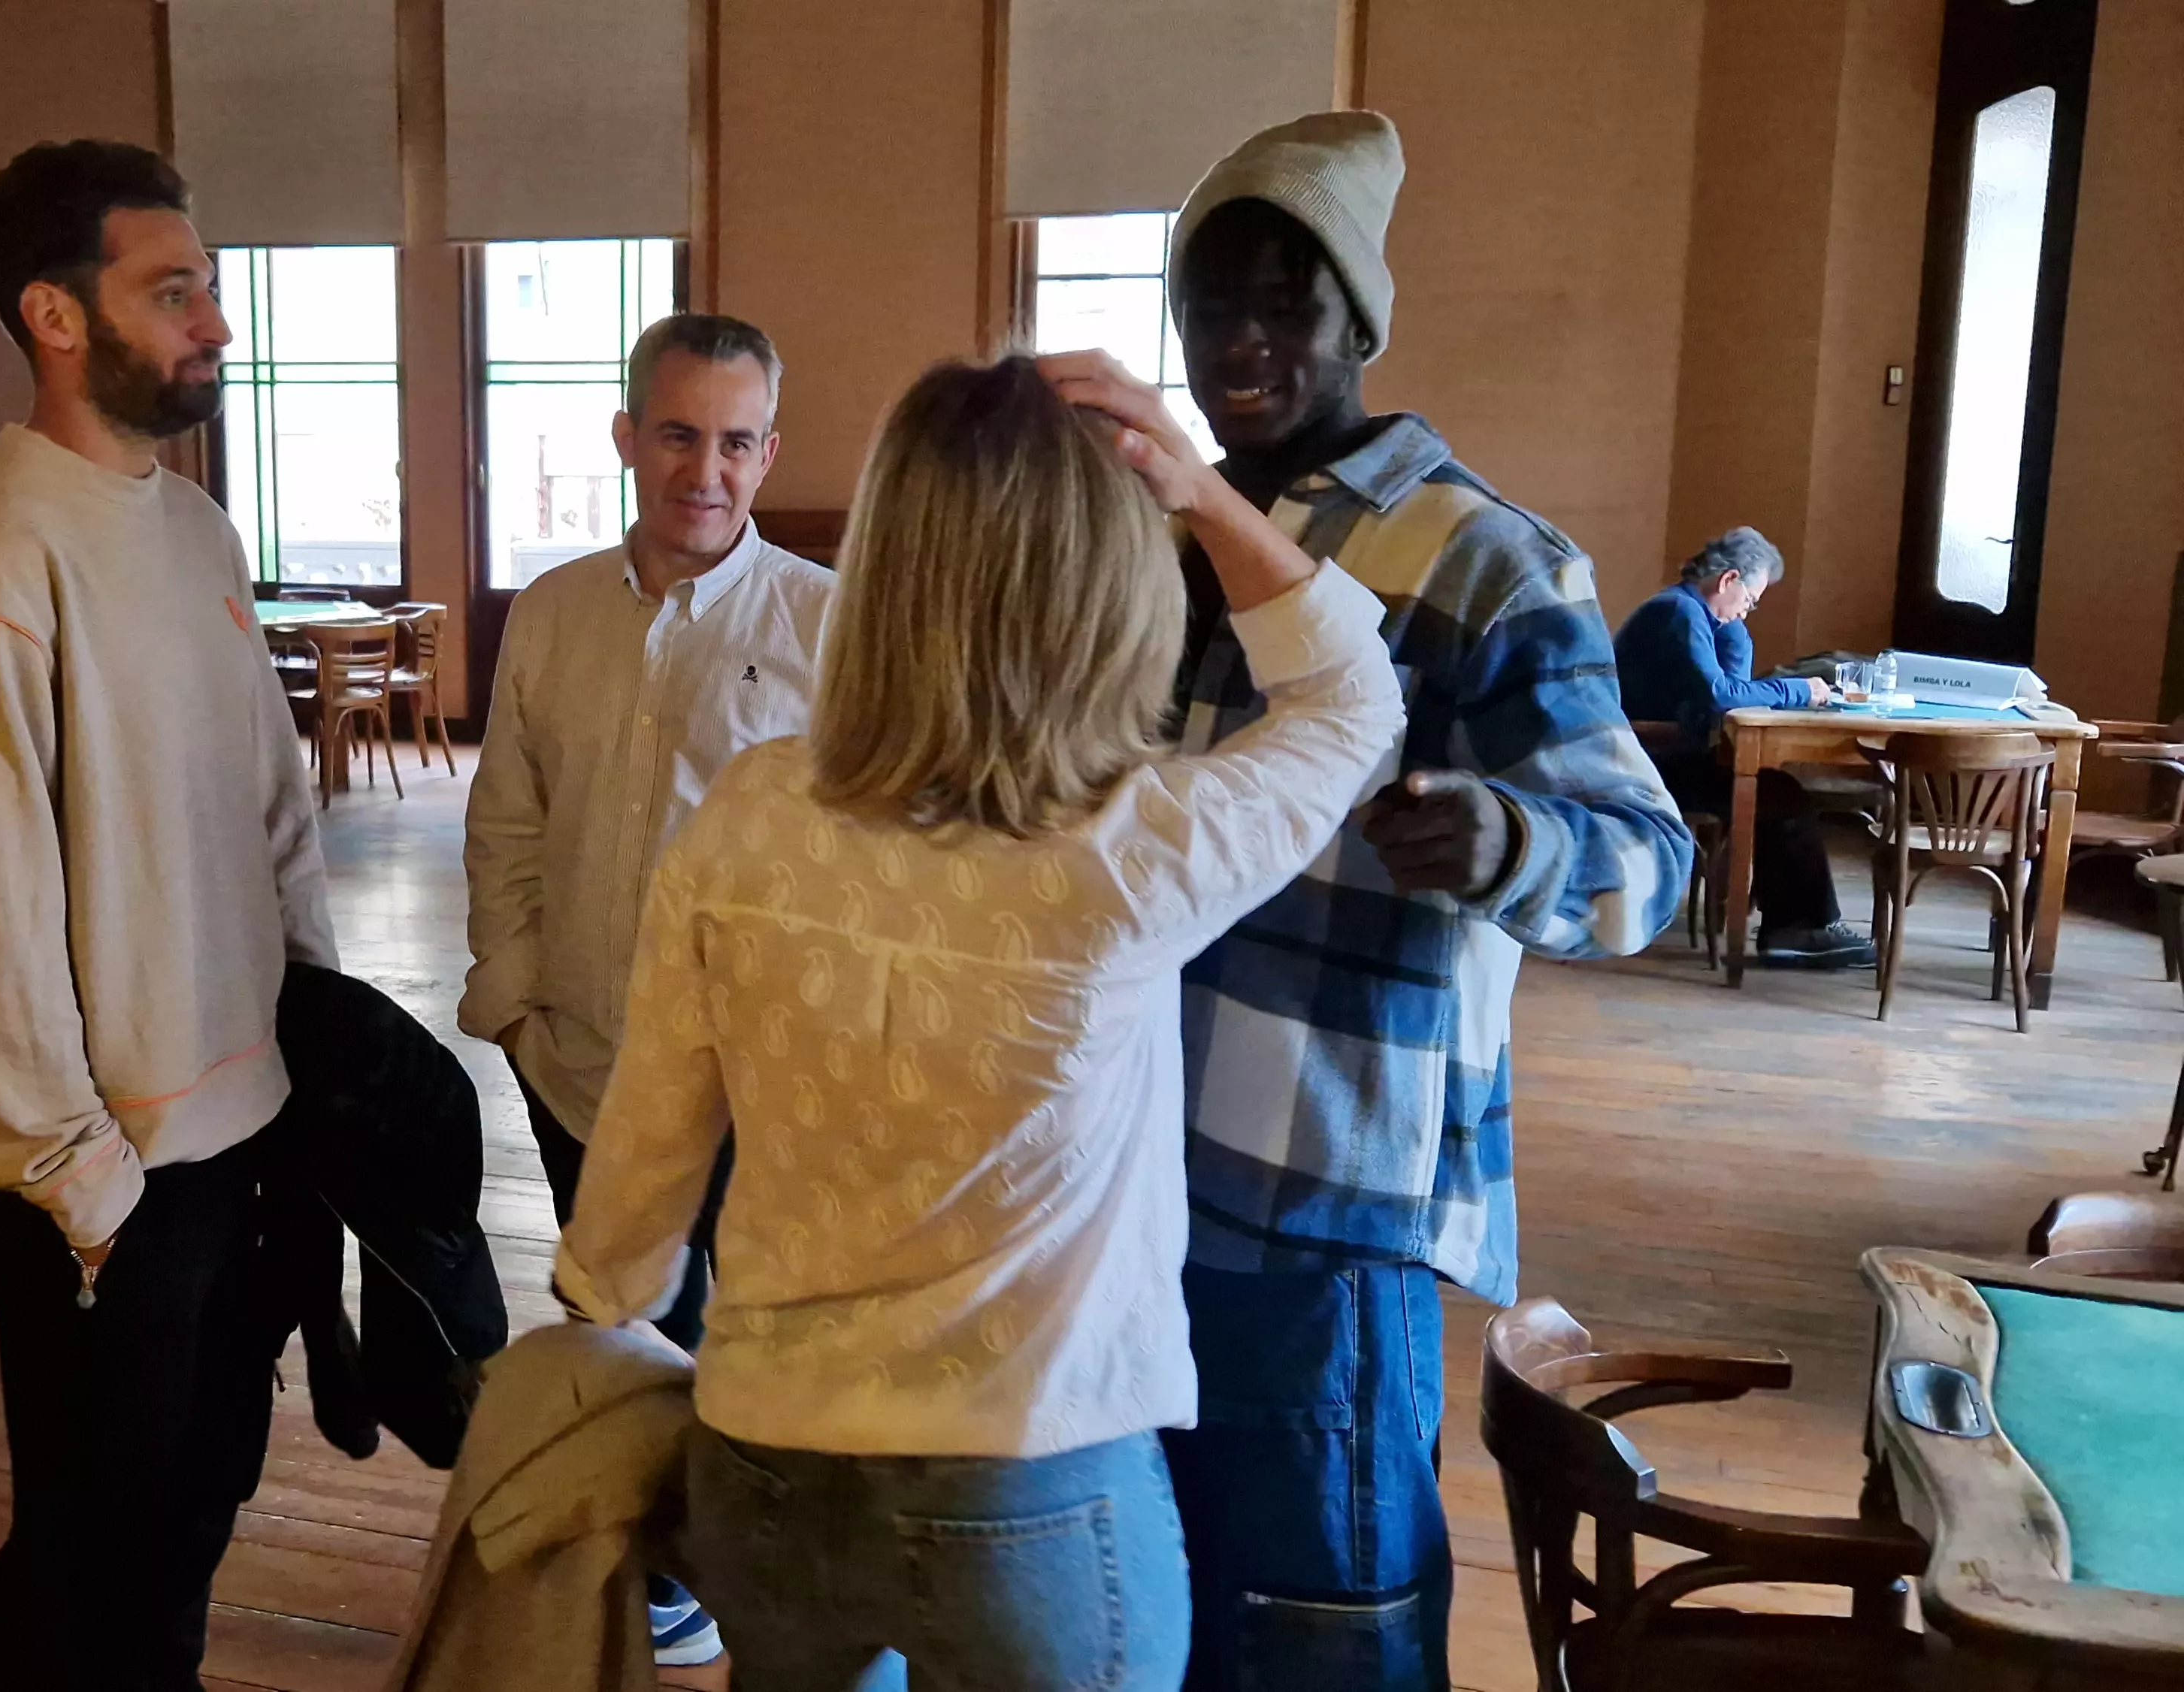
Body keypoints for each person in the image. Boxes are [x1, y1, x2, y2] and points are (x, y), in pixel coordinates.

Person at [554, 350, 1405, 1692]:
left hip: (765, 1460)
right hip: (1037, 1473)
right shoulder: (1137, 846)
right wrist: (1199, 490)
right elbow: (1354, 697)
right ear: (1110, 586)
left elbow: (651, 1136)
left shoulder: (753, 814)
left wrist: (601, 1303)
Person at [1155, 113, 1691, 1690]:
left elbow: (1643, 864)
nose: (1239, 340)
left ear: (1354, 323)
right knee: (1161, 1589)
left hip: (1323, 1203)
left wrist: (1503, 833)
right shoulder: (1151, 534)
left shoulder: (1476, 560)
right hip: (1116, 1179)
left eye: (1282, 303)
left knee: (1325, 1615)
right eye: (1208, 303)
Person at [0, 140, 334, 1691]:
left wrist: (319, 1057)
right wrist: (86, 1190)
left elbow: (274, 816)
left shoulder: (193, 530)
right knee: (85, 1554)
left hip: (245, 1137)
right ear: (56, 317)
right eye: (175, 288)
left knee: (187, 1521)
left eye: (206, 285)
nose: (216, 322)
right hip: (110, 1179)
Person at [461, 312, 831, 1666]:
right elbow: (507, 815)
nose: (707, 469)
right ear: (628, 438)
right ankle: (652, 1555)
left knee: (743, 1327)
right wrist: (508, 997)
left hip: (751, 1077)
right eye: (679, 434)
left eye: (736, 441)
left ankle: (735, 1550)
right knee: (614, 1318)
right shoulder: (552, 611)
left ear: (769, 451)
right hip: (574, 1050)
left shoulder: (824, 627)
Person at [1616, 527, 1874, 967]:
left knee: (1777, 792)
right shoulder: (1677, 613)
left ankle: (1795, 926)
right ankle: (1798, 930)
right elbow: (1722, 697)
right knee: (1778, 795)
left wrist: (1735, 628)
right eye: (1750, 600)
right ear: (1728, 580)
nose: (1749, 611)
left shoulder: (1696, 613)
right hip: (1643, 761)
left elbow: (1732, 688)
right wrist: (1800, 691)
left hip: (1665, 752)